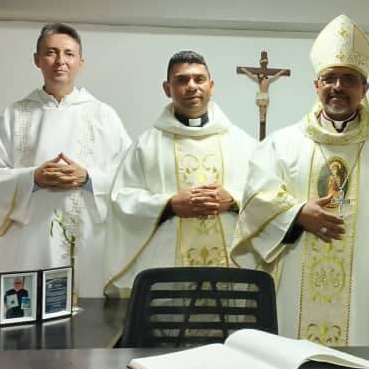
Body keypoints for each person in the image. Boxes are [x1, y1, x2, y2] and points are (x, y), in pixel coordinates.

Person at [231, 15, 369, 345]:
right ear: (316, 86)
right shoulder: (281, 144)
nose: (338, 87)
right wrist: (296, 214)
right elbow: (255, 199)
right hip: (295, 281)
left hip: (364, 290)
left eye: (349, 79)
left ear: (365, 89)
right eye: (329, 78)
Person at [0, 23, 131, 296]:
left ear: (80, 62)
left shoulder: (104, 115)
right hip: (30, 242)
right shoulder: (14, 115)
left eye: (69, 54)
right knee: (28, 307)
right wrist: (32, 178)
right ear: (37, 59)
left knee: (88, 313)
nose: (60, 61)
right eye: (51, 52)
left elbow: (129, 177)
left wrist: (88, 178)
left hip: (88, 241)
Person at [105, 51, 256, 295]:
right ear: (168, 88)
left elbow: (265, 196)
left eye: (199, 79)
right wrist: (169, 205)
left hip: (230, 267)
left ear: (211, 86)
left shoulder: (243, 144)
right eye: (182, 80)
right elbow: (122, 199)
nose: (192, 86)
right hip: (168, 270)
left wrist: (233, 201)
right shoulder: (147, 145)